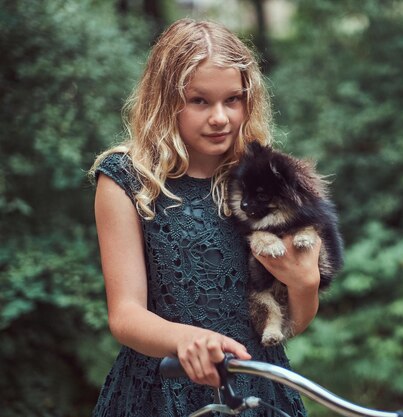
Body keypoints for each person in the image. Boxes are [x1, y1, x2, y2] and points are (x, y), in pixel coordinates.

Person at [89, 18, 321, 417]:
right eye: (200, 101)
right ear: (166, 100)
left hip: (257, 386)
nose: (220, 117)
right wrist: (188, 340)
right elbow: (125, 314)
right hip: (162, 386)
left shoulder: (265, 178)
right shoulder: (127, 179)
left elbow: (288, 324)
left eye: (233, 99)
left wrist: (306, 284)